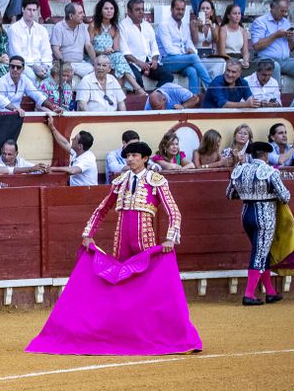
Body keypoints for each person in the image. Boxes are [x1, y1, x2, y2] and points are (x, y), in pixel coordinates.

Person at [28, 138, 200, 356]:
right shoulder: (120, 182)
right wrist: (87, 234)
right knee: (119, 286)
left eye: (134, 156)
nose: (130, 159)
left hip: (145, 241)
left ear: (145, 158)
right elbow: (101, 210)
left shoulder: (157, 181)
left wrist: (169, 238)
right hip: (121, 241)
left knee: (146, 289)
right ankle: (121, 333)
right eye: (127, 156)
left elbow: (174, 212)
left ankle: (154, 334)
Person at [227, 141, 293, 305]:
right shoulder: (270, 171)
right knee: (259, 253)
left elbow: (229, 194)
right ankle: (249, 295)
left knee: (262, 252)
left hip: (246, 215)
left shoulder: (239, 170)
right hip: (264, 216)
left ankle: (270, 292)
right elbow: (285, 196)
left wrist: (246, 194)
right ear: (264, 155)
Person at [46, 117, 98, 186]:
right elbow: (64, 143)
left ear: (80, 146)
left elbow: (73, 170)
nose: (72, 139)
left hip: (87, 193)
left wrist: (53, 168)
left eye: (75, 139)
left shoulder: (88, 158)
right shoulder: (78, 152)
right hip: (78, 190)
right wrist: (52, 127)